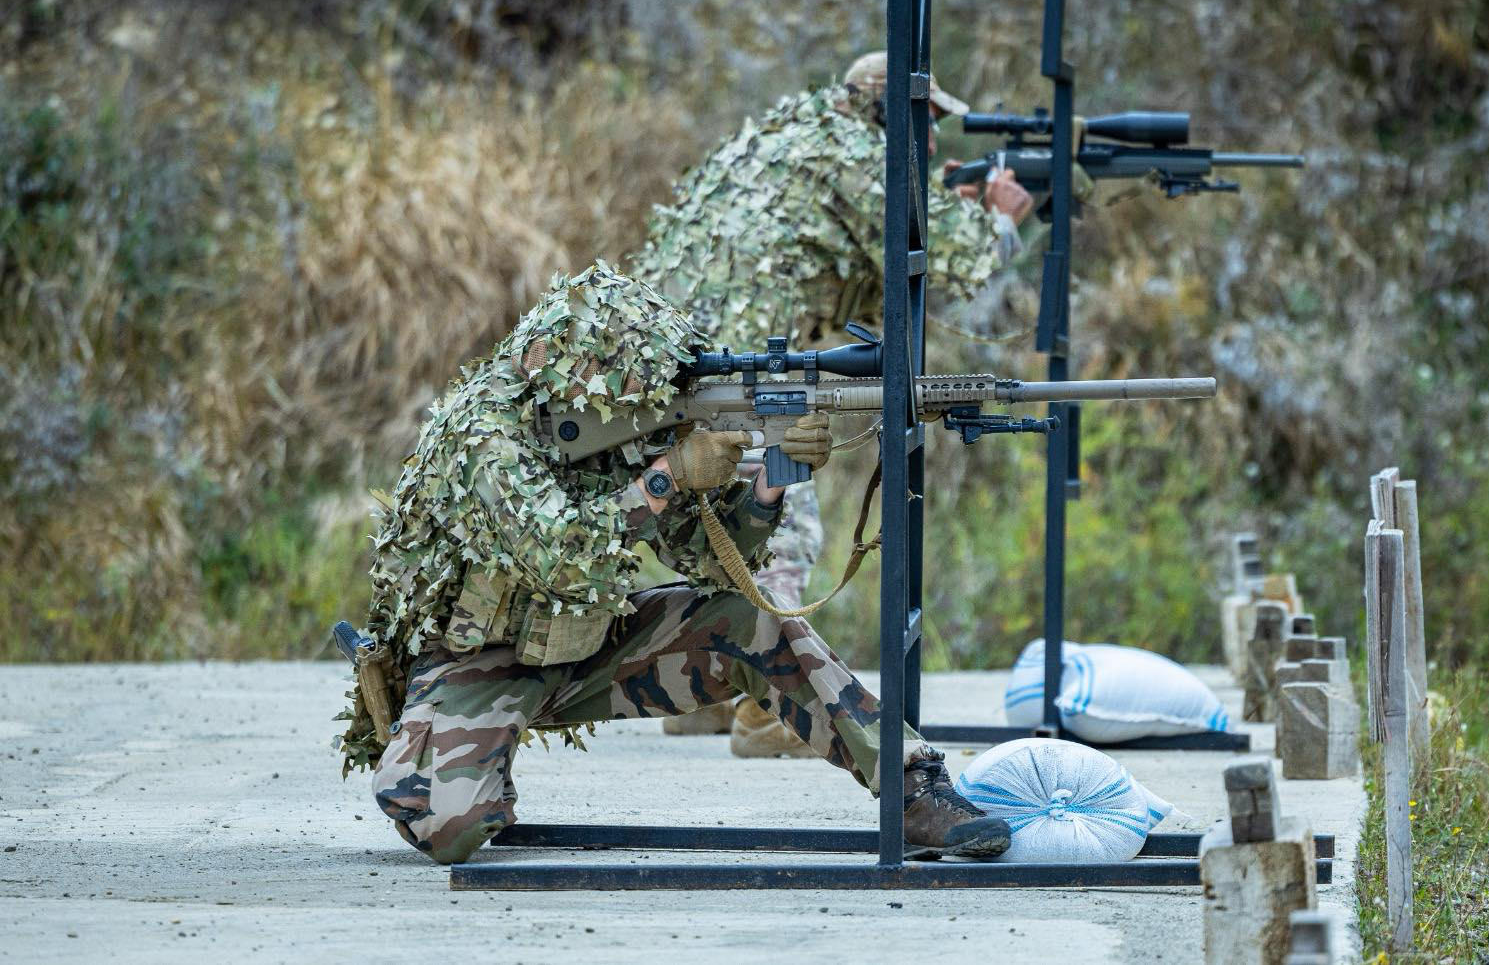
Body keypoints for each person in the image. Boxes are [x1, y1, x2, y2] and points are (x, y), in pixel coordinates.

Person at [337, 261, 1012, 865]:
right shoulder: (481, 437)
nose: (642, 405)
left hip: (587, 649)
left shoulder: (613, 421)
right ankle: (427, 730)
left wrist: (766, 486)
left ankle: (913, 787)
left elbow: (710, 564)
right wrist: (666, 477)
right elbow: (564, 560)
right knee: (448, 830)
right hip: (477, 661)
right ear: (568, 371)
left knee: (749, 621)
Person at [630, 51, 1054, 752]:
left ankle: (705, 693)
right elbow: (957, 261)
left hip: (671, 359)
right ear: (889, 115)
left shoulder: (782, 137)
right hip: (738, 371)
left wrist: (932, 203)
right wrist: (1002, 219)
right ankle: (773, 709)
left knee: (706, 522)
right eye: (924, 123)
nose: (934, 139)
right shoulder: (859, 154)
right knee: (779, 523)